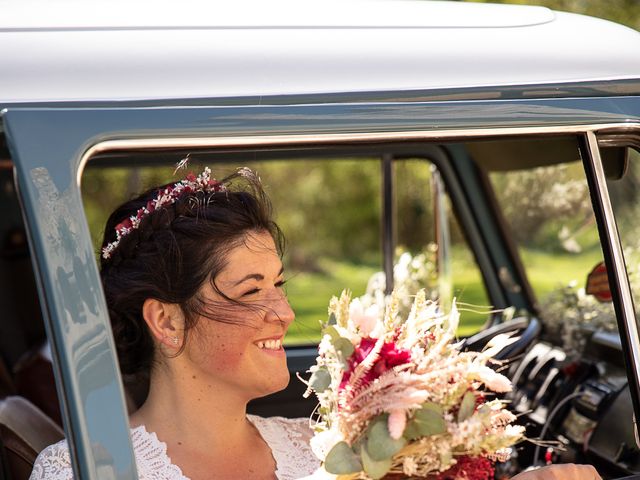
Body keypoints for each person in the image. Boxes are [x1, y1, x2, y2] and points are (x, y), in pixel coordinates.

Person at [30, 167, 601, 480]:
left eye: (278, 285)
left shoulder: (316, 447)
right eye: (251, 291)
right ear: (167, 321)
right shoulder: (81, 471)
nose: (281, 312)